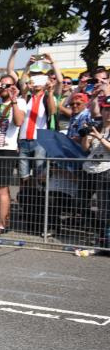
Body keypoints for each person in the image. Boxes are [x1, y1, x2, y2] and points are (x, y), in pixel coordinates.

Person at [0, 75, 26, 235]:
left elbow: (18, 121)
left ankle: (2, 224)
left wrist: (14, 99)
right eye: (2, 85)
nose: (5, 88)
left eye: (8, 85)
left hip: (8, 149)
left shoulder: (20, 101)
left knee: (2, 188)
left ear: (14, 86)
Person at [81, 96, 110, 248]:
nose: (108, 113)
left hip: (106, 170)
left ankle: (103, 237)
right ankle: (95, 231)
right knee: (79, 203)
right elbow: (85, 148)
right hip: (89, 168)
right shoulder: (97, 126)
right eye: (106, 109)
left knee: (104, 207)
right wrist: (87, 134)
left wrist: (100, 137)